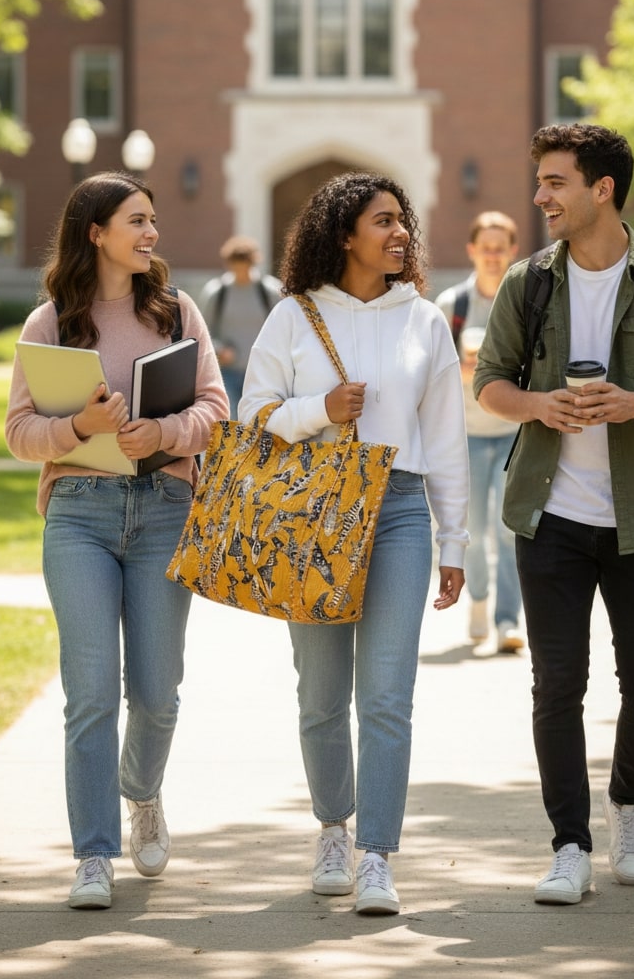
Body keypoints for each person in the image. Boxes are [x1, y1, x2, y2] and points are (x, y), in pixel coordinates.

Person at [473, 124, 634, 906]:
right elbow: (489, 383)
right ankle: (569, 844)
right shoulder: (529, 282)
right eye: (542, 182)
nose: (541, 197)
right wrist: (542, 406)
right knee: (558, 686)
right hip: (549, 516)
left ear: (601, 189)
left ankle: (627, 806)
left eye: (555, 183)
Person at [239, 172, 470, 916]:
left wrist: (455, 539)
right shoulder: (294, 317)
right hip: (314, 512)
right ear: (344, 234)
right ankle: (331, 831)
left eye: (403, 222)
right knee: (320, 694)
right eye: (384, 222)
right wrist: (319, 410)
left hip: (399, 508)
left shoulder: (427, 321)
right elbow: (253, 414)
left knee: (387, 697)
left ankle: (376, 853)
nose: (400, 233)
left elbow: (445, 439)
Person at [5, 172, 228, 910]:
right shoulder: (48, 324)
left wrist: (158, 432)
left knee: (157, 694)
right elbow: (19, 433)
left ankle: (143, 792)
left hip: (165, 507)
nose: (151, 233)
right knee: (91, 694)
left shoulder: (176, 311)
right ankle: (93, 854)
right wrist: (80, 429)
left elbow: (216, 410)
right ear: (96, 232)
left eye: (153, 220)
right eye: (137, 220)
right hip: (79, 514)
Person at [436, 211, 524, 652]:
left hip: (513, 432)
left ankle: (508, 620)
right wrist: (463, 371)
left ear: (512, 251)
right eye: (485, 247)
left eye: (500, 247)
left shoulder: (524, 301)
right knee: (473, 528)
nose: (492, 256)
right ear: (472, 251)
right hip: (466, 433)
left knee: (510, 529)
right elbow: (431, 376)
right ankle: (479, 603)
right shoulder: (452, 307)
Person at [199, 235, 282, 416]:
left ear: (253, 263)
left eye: (244, 267)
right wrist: (220, 349)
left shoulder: (271, 292)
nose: (240, 272)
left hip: (263, 375)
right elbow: (203, 333)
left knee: (261, 425)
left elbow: (285, 332)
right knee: (233, 425)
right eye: (236, 267)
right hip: (228, 374)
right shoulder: (217, 292)